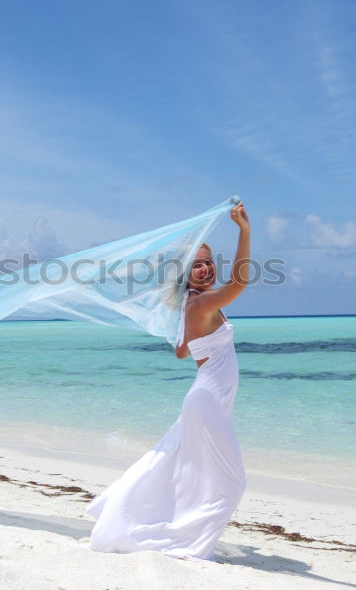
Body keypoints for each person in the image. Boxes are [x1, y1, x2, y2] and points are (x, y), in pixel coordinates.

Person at [86, 201, 251, 560]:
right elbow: (240, 281)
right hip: (207, 400)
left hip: (210, 398)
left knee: (169, 466)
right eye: (196, 265)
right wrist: (244, 230)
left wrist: (189, 333)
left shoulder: (196, 304)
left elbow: (181, 352)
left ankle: (137, 521)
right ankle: (181, 541)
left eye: (208, 262)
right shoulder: (199, 305)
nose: (205, 269)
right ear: (185, 275)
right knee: (228, 483)